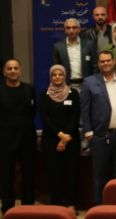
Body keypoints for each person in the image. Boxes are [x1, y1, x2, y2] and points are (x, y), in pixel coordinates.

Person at [81, 50, 116, 205]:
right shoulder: (90, 82)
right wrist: (89, 133)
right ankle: (100, 208)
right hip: (99, 136)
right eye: (102, 61)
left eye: (108, 60)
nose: (106, 63)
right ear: (98, 64)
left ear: (114, 61)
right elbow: (85, 109)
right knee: (99, 175)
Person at [0, 59, 37, 215]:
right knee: (7, 177)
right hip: (6, 140)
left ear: (20, 71)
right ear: (4, 72)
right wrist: (1, 136)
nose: (13, 71)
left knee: (29, 176)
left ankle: (28, 209)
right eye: (9, 68)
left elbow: (32, 112)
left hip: (27, 139)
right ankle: (8, 210)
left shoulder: (30, 89)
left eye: (16, 68)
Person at [39, 65, 81, 213]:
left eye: (60, 74)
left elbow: (75, 116)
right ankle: (56, 206)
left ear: (65, 76)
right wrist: (60, 135)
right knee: (54, 175)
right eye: (54, 75)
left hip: (71, 140)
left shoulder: (73, 93)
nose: (57, 77)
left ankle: (71, 206)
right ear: (50, 77)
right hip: (50, 141)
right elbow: (45, 118)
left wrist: (64, 138)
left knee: (71, 174)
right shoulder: (43, 95)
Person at [52, 17, 98, 91]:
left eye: (74, 27)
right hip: (66, 86)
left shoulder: (89, 44)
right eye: (68, 28)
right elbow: (55, 68)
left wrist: (93, 83)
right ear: (65, 30)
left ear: (79, 29)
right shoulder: (58, 47)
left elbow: (95, 66)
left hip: (86, 85)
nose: (71, 30)